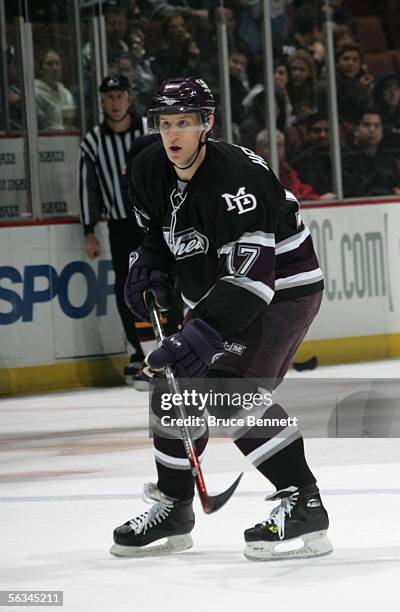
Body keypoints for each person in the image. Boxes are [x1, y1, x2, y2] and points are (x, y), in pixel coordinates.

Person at [110, 77, 332, 560]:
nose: (173, 134)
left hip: (280, 290)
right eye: (165, 123)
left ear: (206, 124)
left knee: (229, 394)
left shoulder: (238, 180)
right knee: (173, 389)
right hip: (216, 287)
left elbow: (252, 283)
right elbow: (160, 235)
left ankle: (304, 503)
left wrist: (200, 336)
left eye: (185, 123)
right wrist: (150, 265)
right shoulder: (149, 167)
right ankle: (174, 505)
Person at [78, 75, 146, 384]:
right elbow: (87, 188)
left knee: (167, 282)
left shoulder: (149, 130)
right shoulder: (92, 141)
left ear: (129, 98)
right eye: (109, 97)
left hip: (154, 223)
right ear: (102, 101)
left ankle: (171, 344)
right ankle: (139, 351)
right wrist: (89, 230)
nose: (115, 102)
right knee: (126, 288)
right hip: (120, 225)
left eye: (120, 95)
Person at [342, 109, 400, 197]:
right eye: (366, 125)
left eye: (377, 126)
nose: (372, 130)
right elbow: (355, 191)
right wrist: (390, 192)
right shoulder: (346, 158)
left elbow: (396, 184)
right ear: (356, 130)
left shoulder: (388, 158)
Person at [34, 48, 76, 131]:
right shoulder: (35, 93)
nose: (55, 67)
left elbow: (69, 124)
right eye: (49, 64)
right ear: (40, 69)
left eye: (58, 63)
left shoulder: (66, 93)